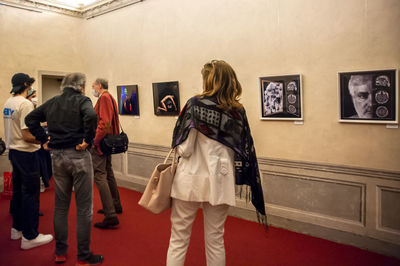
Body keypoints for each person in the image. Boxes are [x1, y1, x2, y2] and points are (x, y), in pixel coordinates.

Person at [167, 60, 267, 266]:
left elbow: (185, 150)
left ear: (208, 80)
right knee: (215, 239)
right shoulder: (238, 112)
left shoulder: (194, 105)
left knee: (179, 238)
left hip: (190, 178)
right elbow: (241, 148)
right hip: (221, 180)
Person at [25, 73, 104, 265]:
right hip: (78, 156)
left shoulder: (53, 101)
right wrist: (88, 140)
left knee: (60, 207)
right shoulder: (82, 100)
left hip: (57, 157)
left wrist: (44, 140)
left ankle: (60, 252)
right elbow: (92, 115)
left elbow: (30, 119)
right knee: (84, 209)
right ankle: (83, 256)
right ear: (81, 87)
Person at [3, 73, 53, 250]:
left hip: (14, 153)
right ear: (25, 84)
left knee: (18, 193)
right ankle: (30, 236)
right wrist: (45, 141)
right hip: (27, 154)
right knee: (30, 194)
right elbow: (27, 135)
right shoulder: (25, 104)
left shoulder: (8, 102)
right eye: (30, 84)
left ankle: (16, 229)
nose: (32, 87)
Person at [91, 78, 122, 229]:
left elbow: (104, 123)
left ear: (99, 85)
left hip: (102, 143)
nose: (92, 88)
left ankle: (110, 214)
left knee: (100, 175)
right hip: (108, 142)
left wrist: (95, 141)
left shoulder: (103, 98)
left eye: (93, 85)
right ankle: (115, 204)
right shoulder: (110, 97)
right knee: (108, 173)